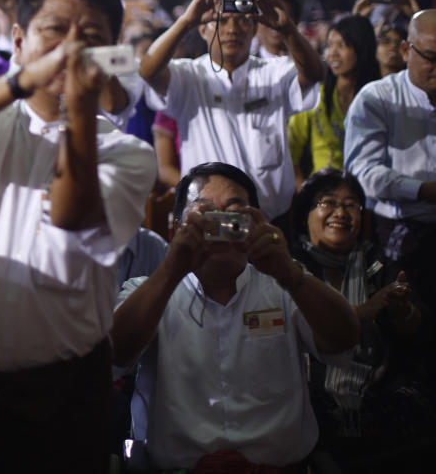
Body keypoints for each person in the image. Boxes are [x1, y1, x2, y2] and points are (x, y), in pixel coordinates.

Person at [0, 0, 156, 472]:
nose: (70, 48)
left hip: (62, 393)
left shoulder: (127, 152)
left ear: (110, 54)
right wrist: (23, 81)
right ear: (20, 39)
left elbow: (71, 217)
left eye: (89, 37)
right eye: (54, 31)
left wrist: (81, 110)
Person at [110, 162, 359, 471]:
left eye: (234, 213)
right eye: (205, 214)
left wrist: (289, 273)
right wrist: (171, 272)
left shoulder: (284, 286)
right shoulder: (149, 291)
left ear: (256, 223)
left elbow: (345, 340)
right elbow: (112, 356)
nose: (220, 225)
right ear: (176, 229)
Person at [138, 0, 324, 227]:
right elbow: (148, 70)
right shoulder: (188, 76)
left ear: (255, 27)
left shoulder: (275, 72)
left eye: (242, 20)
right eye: (221, 21)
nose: (232, 29)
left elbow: (314, 74)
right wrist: (186, 21)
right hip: (206, 223)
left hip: (270, 222)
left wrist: (287, 28)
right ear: (203, 30)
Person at [290, 168, 434, 469]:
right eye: (327, 202)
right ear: (306, 214)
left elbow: (416, 326)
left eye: (351, 204)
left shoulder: (375, 263)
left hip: (376, 395)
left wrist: (402, 311)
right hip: (308, 396)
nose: (340, 212)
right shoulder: (289, 266)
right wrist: (361, 313)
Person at [344, 9, 436, 308]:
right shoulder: (378, 98)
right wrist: (423, 191)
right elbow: (363, 172)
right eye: (432, 58)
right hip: (400, 229)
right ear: (406, 50)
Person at [288, 14, 379, 187]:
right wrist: (302, 190)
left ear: (362, 48)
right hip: (322, 195)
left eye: (342, 46)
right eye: (329, 46)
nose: (333, 54)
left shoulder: (379, 97)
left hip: (370, 194)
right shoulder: (315, 96)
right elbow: (290, 148)